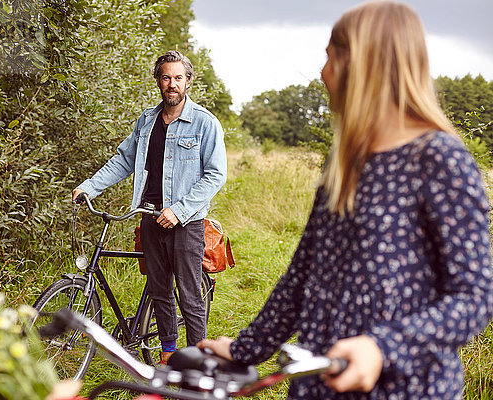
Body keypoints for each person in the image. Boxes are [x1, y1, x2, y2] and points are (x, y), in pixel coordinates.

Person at [198, 1, 493, 398]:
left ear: (361, 63)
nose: (322, 74)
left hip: (404, 390)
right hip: (318, 385)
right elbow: (301, 277)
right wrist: (244, 350)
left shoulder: (438, 158)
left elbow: (474, 298)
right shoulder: (344, 164)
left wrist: (382, 346)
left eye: (329, 58)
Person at [73, 50, 227, 364]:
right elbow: (123, 161)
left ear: (188, 81)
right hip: (149, 217)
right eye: (166, 77)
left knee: (188, 296)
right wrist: (89, 186)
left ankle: (199, 365)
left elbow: (215, 175)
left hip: (185, 223)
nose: (172, 84)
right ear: (158, 80)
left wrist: (180, 210)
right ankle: (168, 355)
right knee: (159, 291)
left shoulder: (204, 123)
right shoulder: (147, 120)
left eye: (178, 78)